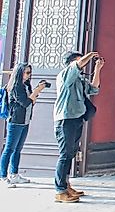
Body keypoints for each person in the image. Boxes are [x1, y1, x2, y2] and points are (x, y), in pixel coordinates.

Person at [54, 51, 104, 203]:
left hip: (76, 118)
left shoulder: (80, 79)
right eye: (79, 61)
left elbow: (94, 89)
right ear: (71, 63)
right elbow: (79, 64)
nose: (83, 65)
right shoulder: (65, 74)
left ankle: (66, 185)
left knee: (71, 153)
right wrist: (90, 54)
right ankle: (60, 190)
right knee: (64, 154)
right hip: (65, 119)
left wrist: (98, 69)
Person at [1, 63, 47, 187]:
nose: (28, 75)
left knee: (18, 149)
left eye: (29, 73)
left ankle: (14, 174)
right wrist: (37, 90)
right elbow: (25, 102)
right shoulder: (15, 86)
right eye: (26, 73)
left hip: (25, 120)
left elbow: (32, 102)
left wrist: (36, 92)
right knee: (9, 148)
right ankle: (3, 176)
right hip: (15, 120)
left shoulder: (26, 85)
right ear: (19, 73)